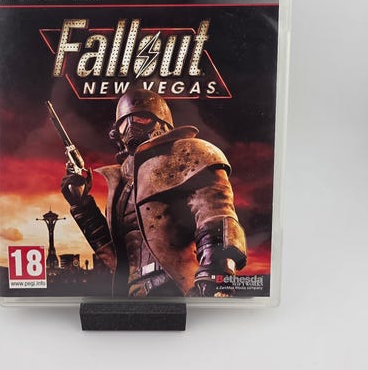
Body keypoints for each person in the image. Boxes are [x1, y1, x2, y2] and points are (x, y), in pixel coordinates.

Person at [61, 89, 247, 297]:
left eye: (140, 118)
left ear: (161, 122)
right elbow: (114, 255)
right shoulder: (121, 182)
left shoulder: (190, 154)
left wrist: (216, 278)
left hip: (177, 287)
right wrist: (82, 206)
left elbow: (217, 218)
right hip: (131, 293)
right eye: (123, 123)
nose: (131, 127)